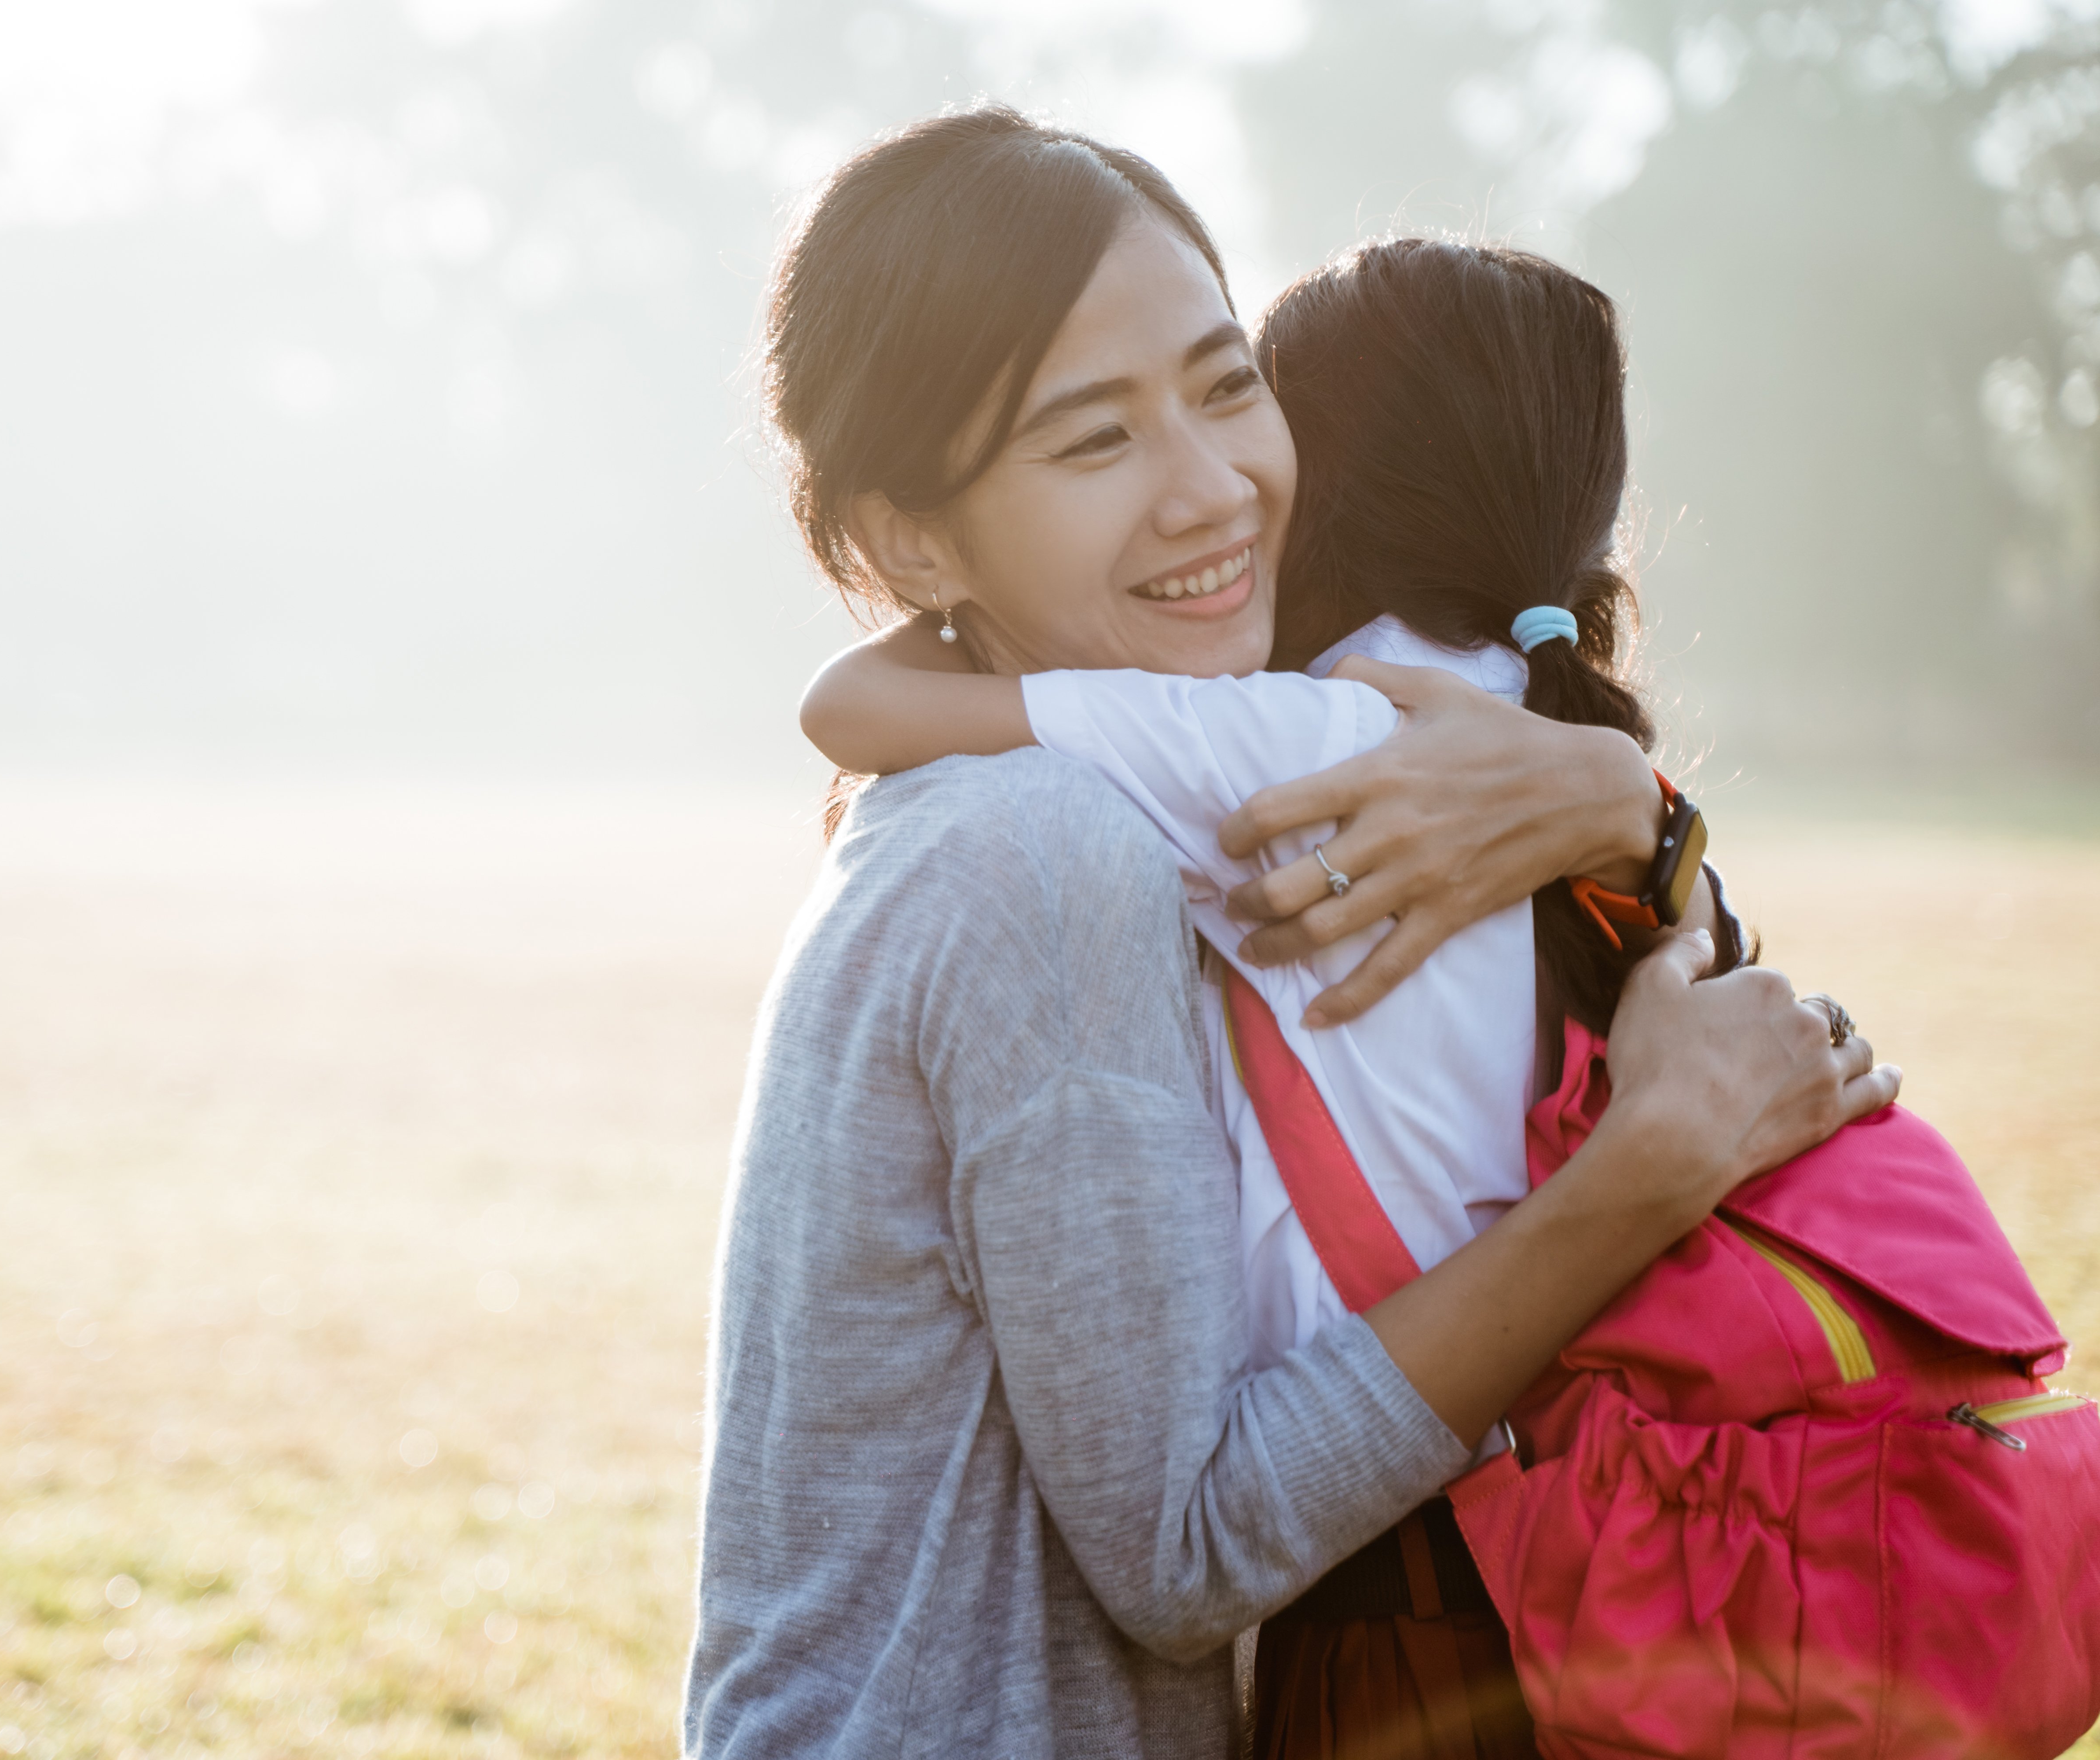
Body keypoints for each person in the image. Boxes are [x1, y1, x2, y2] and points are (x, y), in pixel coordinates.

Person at [683, 108, 1895, 1759]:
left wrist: (1631, 808)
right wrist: (1647, 1170)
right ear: (908, 543)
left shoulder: (1127, 788)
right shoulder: (1043, 851)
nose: (1214, 490)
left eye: (1227, 383)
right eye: (1091, 441)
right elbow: (1187, 1553)